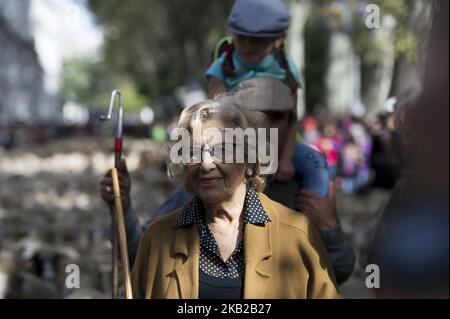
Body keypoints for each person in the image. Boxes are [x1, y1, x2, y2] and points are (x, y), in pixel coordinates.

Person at [100, 78, 355, 285]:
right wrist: (120, 207)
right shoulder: (195, 196)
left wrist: (329, 229)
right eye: (194, 152)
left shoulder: (306, 199)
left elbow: (337, 273)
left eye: (274, 118)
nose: (207, 163)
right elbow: (141, 259)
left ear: (291, 121)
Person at [207, 0, 301, 183]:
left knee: (318, 167)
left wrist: (286, 159)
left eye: (258, 40)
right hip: (235, 148)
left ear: (278, 39)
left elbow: (293, 119)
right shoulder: (220, 67)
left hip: (281, 148)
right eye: (242, 38)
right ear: (233, 34)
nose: (248, 45)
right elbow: (214, 118)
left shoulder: (287, 68)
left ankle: (319, 211)